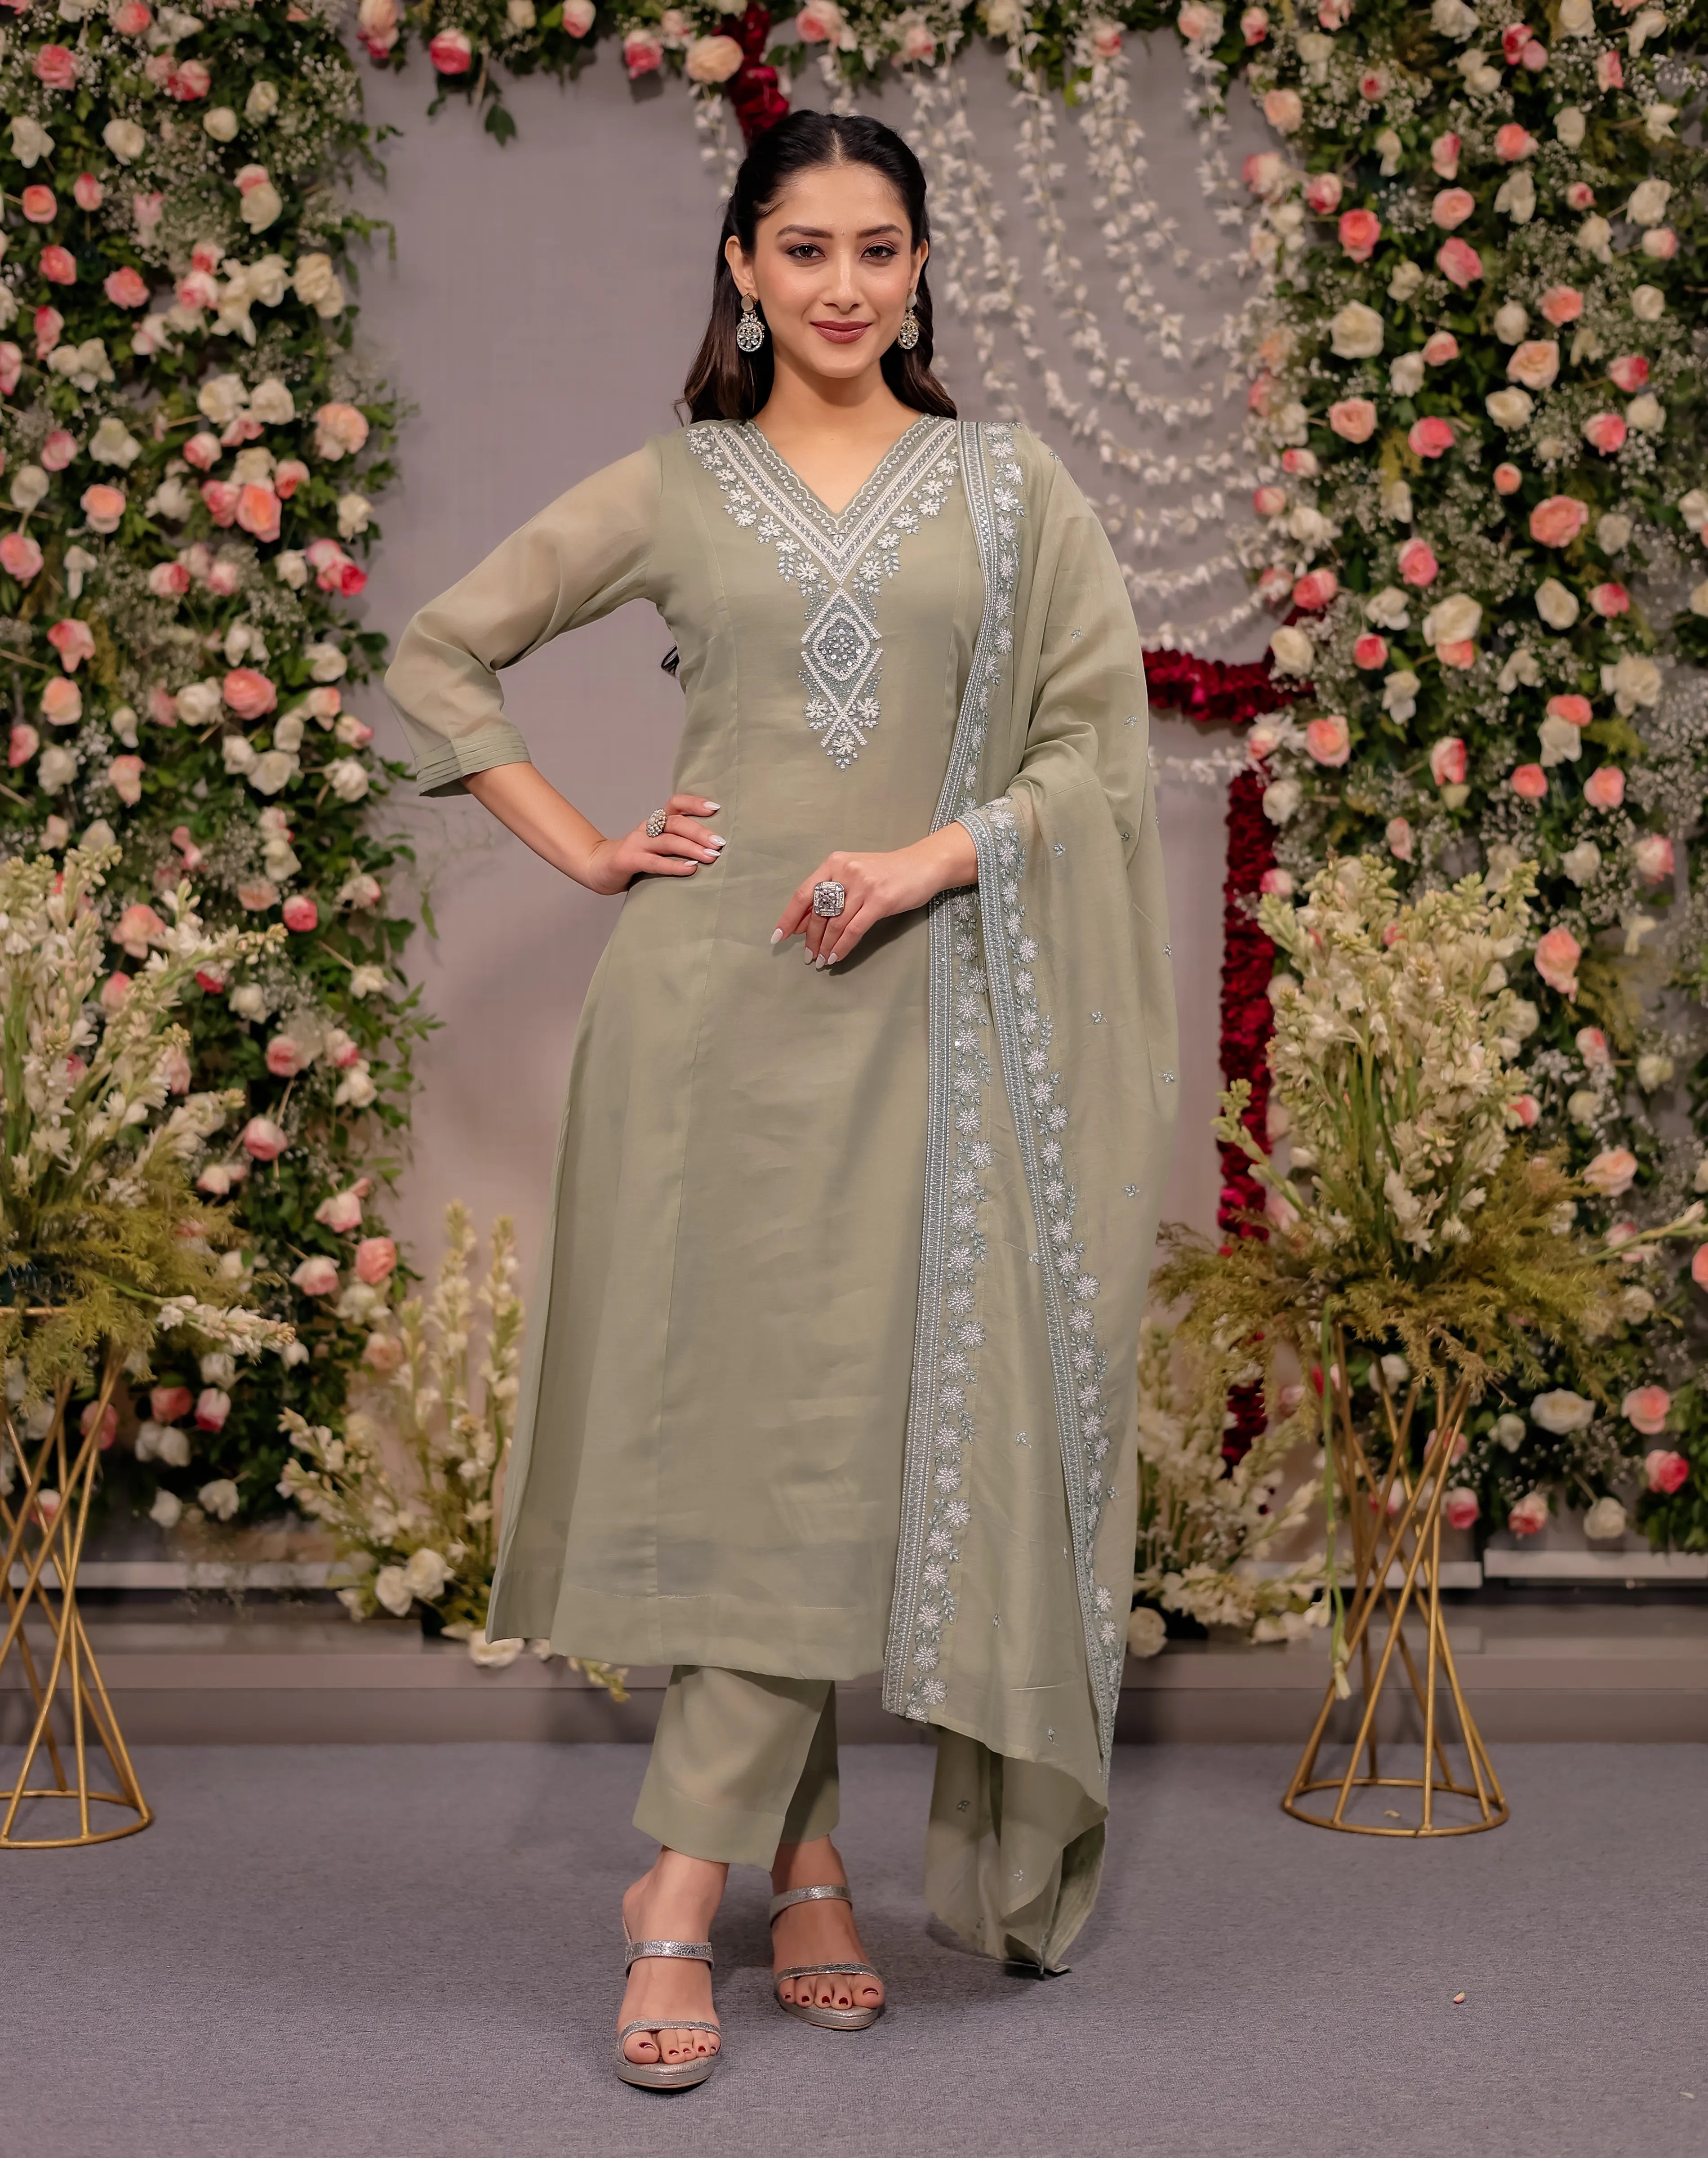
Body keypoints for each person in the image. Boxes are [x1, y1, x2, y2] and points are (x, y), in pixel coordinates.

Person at [385, 109, 1178, 2091]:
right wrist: (584, 852)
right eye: (802, 247)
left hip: (919, 1005)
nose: (842, 284)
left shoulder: (1009, 491)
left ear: (920, 270)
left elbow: (1094, 754)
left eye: (877, 248)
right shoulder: (682, 485)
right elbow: (442, 648)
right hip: (710, 1015)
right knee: (757, 1432)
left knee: (844, 1428)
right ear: (740, 267)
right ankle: (796, 1866)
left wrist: (925, 860)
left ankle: (680, 1884)